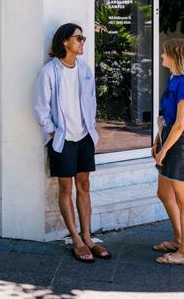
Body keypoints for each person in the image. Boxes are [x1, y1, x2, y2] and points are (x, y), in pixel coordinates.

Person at [33, 23, 110, 263]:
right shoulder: (49, 72)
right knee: (66, 188)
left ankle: (88, 237)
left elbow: (91, 100)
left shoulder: (84, 68)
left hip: (84, 137)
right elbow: (40, 108)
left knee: (84, 184)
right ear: (65, 41)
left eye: (83, 38)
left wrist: (91, 126)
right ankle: (76, 239)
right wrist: (53, 133)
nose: (82, 42)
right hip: (63, 139)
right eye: (79, 38)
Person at [152, 38, 184, 266]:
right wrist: (158, 141)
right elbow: (168, 118)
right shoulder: (174, 78)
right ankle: (178, 239)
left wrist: (163, 151)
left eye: (165, 53)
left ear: (175, 56)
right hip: (170, 139)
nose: (162, 56)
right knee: (164, 193)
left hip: (182, 145)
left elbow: (181, 124)